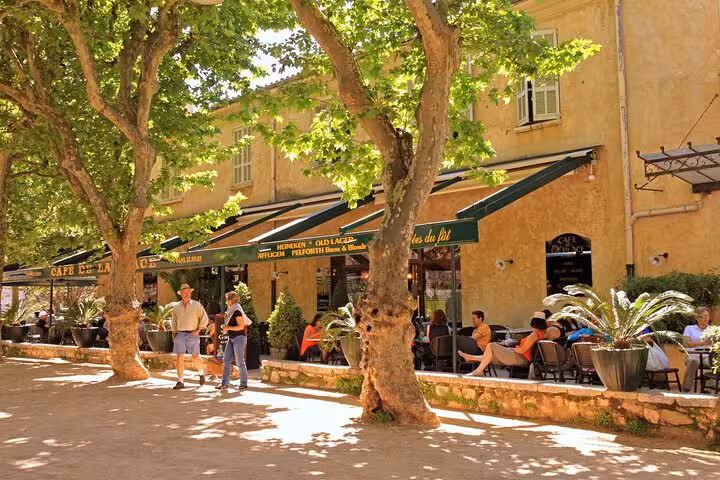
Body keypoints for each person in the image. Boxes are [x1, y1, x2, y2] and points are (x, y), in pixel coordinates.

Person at [458, 312, 548, 376]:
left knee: (491, 346)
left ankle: (479, 370)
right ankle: (471, 358)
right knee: (490, 356)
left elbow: (522, 350)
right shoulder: (542, 334)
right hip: (522, 357)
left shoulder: (534, 334)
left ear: (534, 322)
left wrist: (512, 348)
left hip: (520, 357)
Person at [171, 283, 209, 390]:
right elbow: (173, 322)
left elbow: (204, 318)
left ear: (190, 293)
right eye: (184, 292)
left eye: (188, 292)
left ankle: (201, 373)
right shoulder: (176, 307)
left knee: (195, 357)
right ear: (181, 293)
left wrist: (199, 330)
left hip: (193, 333)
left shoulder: (197, 305)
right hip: (180, 334)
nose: (186, 294)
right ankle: (180, 381)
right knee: (180, 357)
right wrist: (174, 335)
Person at [216, 291, 249, 390]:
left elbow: (241, 326)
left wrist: (228, 327)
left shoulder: (237, 311)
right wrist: (227, 327)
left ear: (231, 300)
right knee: (226, 360)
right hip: (232, 338)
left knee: (239, 362)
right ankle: (224, 383)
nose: (226, 302)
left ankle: (243, 383)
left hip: (239, 338)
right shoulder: (231, 310)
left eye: (227, 299)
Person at [682, 306, 712, 392]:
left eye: (707, 316)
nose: (706, 318)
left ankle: (710, 386)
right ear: (697, 317)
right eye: (703, 316)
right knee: (694, 361)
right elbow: (686, 343)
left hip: (707, 356)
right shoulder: (689, 328)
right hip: (692, 355)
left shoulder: (712, 330)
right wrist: (703, 343)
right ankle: (686, 388)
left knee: (716, 361)